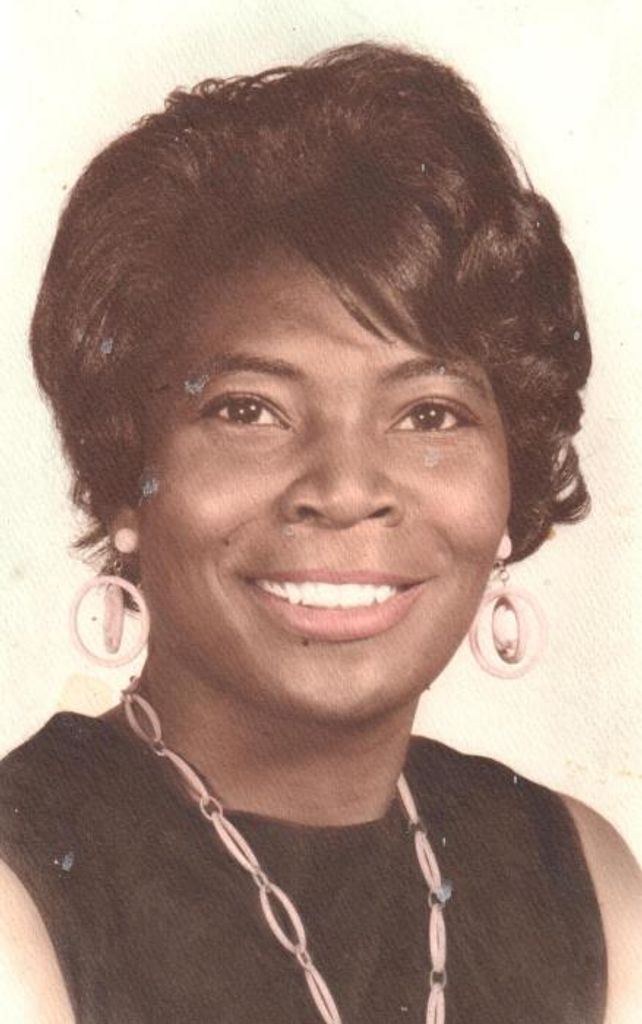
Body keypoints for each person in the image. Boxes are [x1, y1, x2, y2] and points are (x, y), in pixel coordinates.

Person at [0, 41, 640, 1024]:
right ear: (125, 477)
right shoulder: (22, 890)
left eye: (429, 414)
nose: (344, 491)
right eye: (248, 410)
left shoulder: (583, 881)